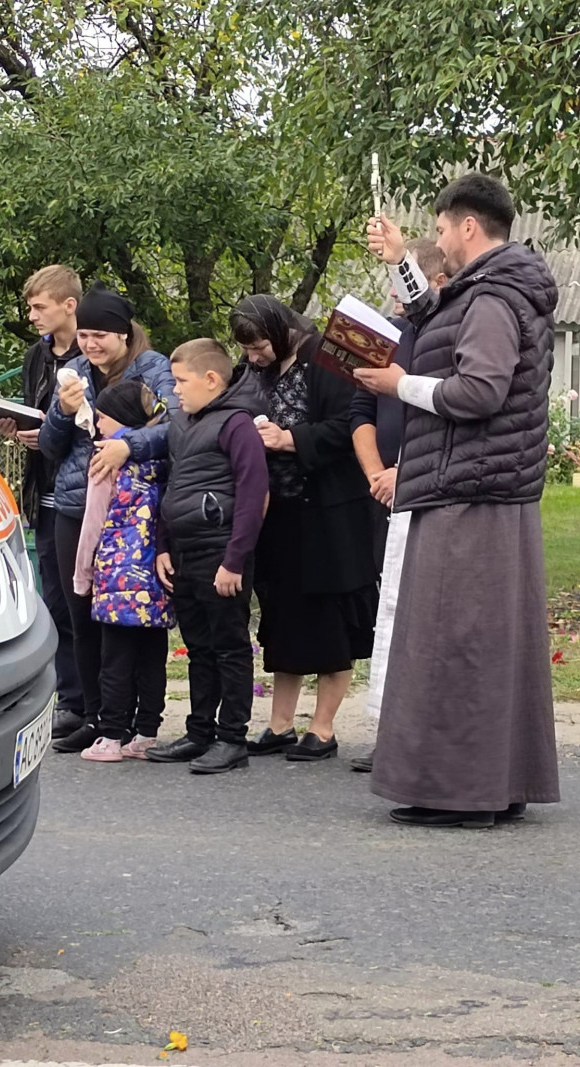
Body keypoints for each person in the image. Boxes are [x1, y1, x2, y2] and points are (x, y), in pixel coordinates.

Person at [356, 172, 560, 827]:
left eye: (440, 228)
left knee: (457, 641)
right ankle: (495, 786)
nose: (436, 238)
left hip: (471, 491)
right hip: (483, 486)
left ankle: (462, 792)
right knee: (483, 642)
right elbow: (436, 318)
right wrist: (399, 263)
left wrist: (399, 384)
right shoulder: (487, 288)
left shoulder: (496, 298)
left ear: (468, 226)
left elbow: (478, 392)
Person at [230, 295, 379, 762]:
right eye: (247, 350)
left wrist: (289, 438)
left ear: (281, 331)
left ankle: (324, 726)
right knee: (282, 620)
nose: (252, 358)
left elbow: (350, 425)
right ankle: (279, 724)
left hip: (330, 513)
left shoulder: (328, 358)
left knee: (330, 620)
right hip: (278, 513)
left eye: (258, 348)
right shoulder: (255, 369)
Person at [38, 282, 176, 753]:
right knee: (81, 616)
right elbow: (53, 449)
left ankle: (135, 722)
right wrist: (61, 410)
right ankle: (96, 716)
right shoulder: (73, 371)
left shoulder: (153, 368)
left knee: (128, 621)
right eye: (85, 335)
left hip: (135, 513)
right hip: (76, 508)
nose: (91, 345)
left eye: (101, 336)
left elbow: (177, 426)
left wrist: (128, 444)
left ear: (123, 334)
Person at [144, 339, 269, 774]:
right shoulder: (181, 423)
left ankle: (232, 738)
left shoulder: (237, 424)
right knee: (198, 647)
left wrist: (234, 560)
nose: (174, 390)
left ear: (211, 379)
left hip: (221, 552)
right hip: (183, 551)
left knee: (229, 646)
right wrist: (162, 544)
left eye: (181, 381)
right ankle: (199, 732)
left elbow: (254, 493)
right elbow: (173, 486)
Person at [348, 240, 449, 774]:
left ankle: (417, 734)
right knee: (384, 610)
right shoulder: (386, 338)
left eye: (398, 285)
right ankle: (389, 729)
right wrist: (374, 473)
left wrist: (400, 474)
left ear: (431, 282)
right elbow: (361, 408)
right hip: (379, 489)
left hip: (424, 487)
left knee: (417, 613)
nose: (391, 297)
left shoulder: (439, 337)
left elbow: (442, 416)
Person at [0, 265, 85, 739]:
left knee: (83, 598)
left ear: (69, 305)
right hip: (43, 489)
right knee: (56, 599)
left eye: (39, 306)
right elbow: (37, 412)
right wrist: (18, 429)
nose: (32, 315)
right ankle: (71, 701)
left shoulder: (93, 356)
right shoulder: (37, 356)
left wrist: (50, 431)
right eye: (30, 307)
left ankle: (100, 704)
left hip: (84, 492)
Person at [71, 380, 175, 761]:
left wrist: (82, 574)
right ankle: (146, 733)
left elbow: (92, 524)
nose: (97, 426)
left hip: (115, 577)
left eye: (101, 417)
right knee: (152, 657)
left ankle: (111, 736)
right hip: (156, 577)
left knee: (114, 660)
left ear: (121, 420)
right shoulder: (163, 458)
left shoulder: (106, 462)